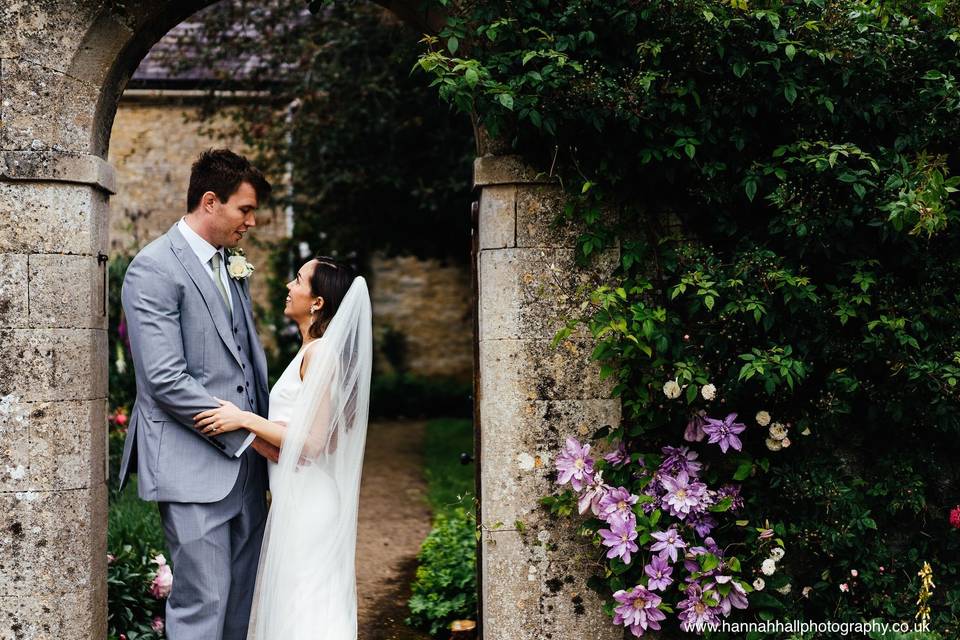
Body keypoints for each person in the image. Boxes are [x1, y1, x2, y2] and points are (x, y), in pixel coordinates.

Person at [119, 148, 276, 639]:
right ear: (211, 201)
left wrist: (259, 437)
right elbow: (164, 378)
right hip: (194, 467)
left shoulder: (229, 263)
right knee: (202, 603)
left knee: (238, 605)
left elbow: (240, 359)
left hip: (247, 469)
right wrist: (249, 434)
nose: (251, 221)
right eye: (244, 210)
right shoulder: (154, 269)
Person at [193, 257, 373, 640]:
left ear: (318, 302)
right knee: (299, 604)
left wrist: (244, 419)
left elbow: (314, 441)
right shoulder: (312, 352)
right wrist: (266, 437)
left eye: (298, 280)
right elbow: (314, 437)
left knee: (305, 608)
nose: (289, 286)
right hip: (300, 495)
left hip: (310, 502)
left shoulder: (319, 354)